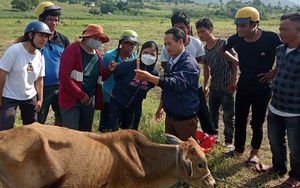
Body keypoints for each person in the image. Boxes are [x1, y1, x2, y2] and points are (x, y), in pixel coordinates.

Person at [219, 7, 282, 163]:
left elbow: (286, 52)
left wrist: (274, 71)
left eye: (243, 25)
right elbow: (221, 50)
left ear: (255, 24)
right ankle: (239, 150)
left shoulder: (271, 38)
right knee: (240, 119)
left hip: (263, 86)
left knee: (257, 122)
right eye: (237, 25)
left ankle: (254, 152)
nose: (239, 29)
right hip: (244, 85)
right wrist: (236, 62)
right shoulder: (236, 39)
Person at [255, 12, 300, 187]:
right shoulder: (280, 50)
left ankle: (296, 176)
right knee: (275, 142)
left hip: (296, 111)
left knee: (296, 148)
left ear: (298, 29)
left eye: (284, 29)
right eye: (280, 28)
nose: (280, 32)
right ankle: (278, 168)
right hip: (275, 107)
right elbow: (280, 68)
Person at [158, 11, 217, 136]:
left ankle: (211, 136)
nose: (168, 47)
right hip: (176, 87)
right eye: (176, 28)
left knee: (202, 113)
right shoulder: (167, 49)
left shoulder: (196, 44)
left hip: (193, 85)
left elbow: (198, 63)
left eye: (182, 28)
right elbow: (166, 66)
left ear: (188, 28)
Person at [135, 28, 199, 141]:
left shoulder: (188, 63)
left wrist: (151, 78)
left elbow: (176, 84)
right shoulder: (171, 61)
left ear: (180, 42)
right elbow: (167, 88)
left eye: (169, 44)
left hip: (184, 117)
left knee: (187, 152)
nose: (167, 48)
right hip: (171, 115)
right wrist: (161, 106)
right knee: (173, 151)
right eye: (165, 44)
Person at [58, 24, 117, 132]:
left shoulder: (97, 54)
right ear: (86, 37)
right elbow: (64, 76)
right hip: (72, 99)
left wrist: (108, 70)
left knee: (85, 134)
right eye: (95, 38)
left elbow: (98, 77)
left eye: (99, 39)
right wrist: (80, 95)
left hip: (88, 100)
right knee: (71, 134)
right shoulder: (73, 50)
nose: (98, 41)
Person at [0, 21, 51, 130]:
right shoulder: (15, 50)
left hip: (29, 96)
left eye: (46, 36)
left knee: (31, 129)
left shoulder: (40, 57)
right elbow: (2, 73)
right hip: (9, 96)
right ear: (30, 35)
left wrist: (40, 99)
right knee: (5, 129)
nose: (44, 39)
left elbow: (39, 79)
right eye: (41, 35)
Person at [196, 18, 237, 148]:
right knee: (212, 114)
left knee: (228, 116)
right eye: (198, 32)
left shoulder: (223, 44)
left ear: (211, 30)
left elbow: (234, 61)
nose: (200, 35)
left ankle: (229, 141)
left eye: (203, 31)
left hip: (227, 86)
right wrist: (206, 85)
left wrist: (233, 79)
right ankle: (214, 137)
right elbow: (206, 68)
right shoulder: (204, 50)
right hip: (214, 86)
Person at [107, 41, 159, 131]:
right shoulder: (127, 65)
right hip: (118, 102)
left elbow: (152, 85)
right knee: (112, 132)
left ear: (156, 56)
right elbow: (117, 75)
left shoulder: (155, 73)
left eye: (152, 54)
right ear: (140, 53)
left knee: (131, 134)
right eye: (145, 53)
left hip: (135, 106)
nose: (148, 56)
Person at [35, 2, 70, 126]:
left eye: (56, 20)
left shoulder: (63, 40)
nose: (54, 23)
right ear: (41, 19)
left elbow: (68, 63)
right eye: (50, 19)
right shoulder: (33, 38)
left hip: (60, 87)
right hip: (40, 87)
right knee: (38, 120)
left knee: (61, 118)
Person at [99, 30, 139, 132]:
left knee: (126, 130)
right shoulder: (108, 56)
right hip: (109, 97)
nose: (130, 46)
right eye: (127, 43)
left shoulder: (136, 60)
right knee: (108, 129)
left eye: (132, 44)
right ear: (121, 43)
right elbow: (101, 75)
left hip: (126, 99)